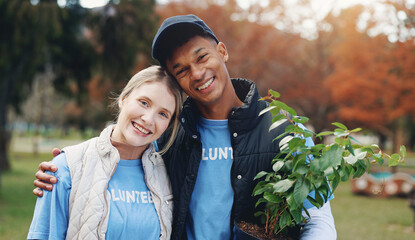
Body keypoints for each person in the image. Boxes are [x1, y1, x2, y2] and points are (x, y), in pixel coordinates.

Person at [33, 15, 337, 239]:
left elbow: (317, 219)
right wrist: (66, 167)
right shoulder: (170, 133)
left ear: (222, 51)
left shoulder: (283, 132)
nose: (198, 73)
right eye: (181, 70)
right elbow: (123, 148)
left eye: (202, 57)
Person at [27, 65, 183, 240]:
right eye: (144, 103)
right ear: (124, 99)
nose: (148, 119)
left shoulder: (169, 172)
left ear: (168, 125)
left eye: (163, 114)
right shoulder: (66, 168)